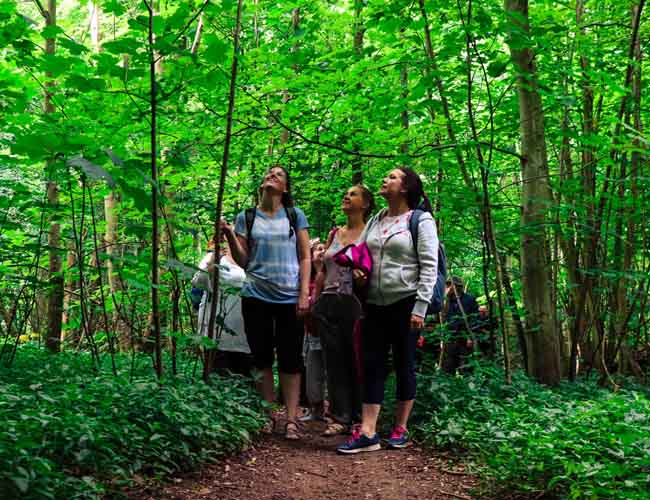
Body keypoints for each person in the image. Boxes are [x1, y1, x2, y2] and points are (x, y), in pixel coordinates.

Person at [337, 168, 438, 454]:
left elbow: (429, 267)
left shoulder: (421, 220)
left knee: (404, 363)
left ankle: (400, 428)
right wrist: (358, 270)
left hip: (406, 302)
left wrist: (420, 308)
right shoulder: (378, 218)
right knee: (372, 364)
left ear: (406, 188)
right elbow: (361, 252)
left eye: (392, 177)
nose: (385, 179)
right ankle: (368, 432)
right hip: (373, 303)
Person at [221, 165, 311, 440]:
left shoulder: (295, 216)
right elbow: (243, 261)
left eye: (279, 175)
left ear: (285, 188)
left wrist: (304, 293)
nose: (271, 176)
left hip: (288, 297)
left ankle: (292, 419)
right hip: (256, 295)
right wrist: (228, 234)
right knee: (261, 359)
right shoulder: (246, 217)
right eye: (269, 173)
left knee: (291, 359)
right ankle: (270, 415)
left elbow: (305, 256)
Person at [312, 184, 375, 437]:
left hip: (356, 304)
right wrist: (313, 301)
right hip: (328, 303)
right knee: (334, 361)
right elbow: (323, 270)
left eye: (354, 194)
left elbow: (374, 269)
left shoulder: (370, 234)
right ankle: (340, 417)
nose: (346, 196)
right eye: (346, 193)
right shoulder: (335, 233)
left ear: (366, 204)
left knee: (357, 360)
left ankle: (361, 417)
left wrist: (363, 278)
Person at [192, 236, 252, 377]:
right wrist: (214, 259)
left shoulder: (254, 261)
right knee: (218, 378)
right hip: (218, 333)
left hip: (246, 334)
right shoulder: (215, 258)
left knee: (245, 382)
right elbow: (198, 282)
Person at [299, 239, 328, 423]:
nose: (322, 252)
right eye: (318, 249)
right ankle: (314, 409)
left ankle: (330, 410)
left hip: (330, 333)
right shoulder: (305, 280)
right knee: (312, 372)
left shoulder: (332, 277)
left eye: (325, 249)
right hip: (311, 333)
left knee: (330, 373)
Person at [442, 276, 479, 374]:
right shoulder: (446, 301)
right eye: (447, 285)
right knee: (449, 367)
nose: (448, 287)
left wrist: (471, 336)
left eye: (451, 285)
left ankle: (468, 387)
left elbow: (474, 318)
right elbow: (441, 319)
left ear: (457, 287)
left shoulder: (469, 299)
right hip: (450, 338)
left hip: (465, 338)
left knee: (466, 367)